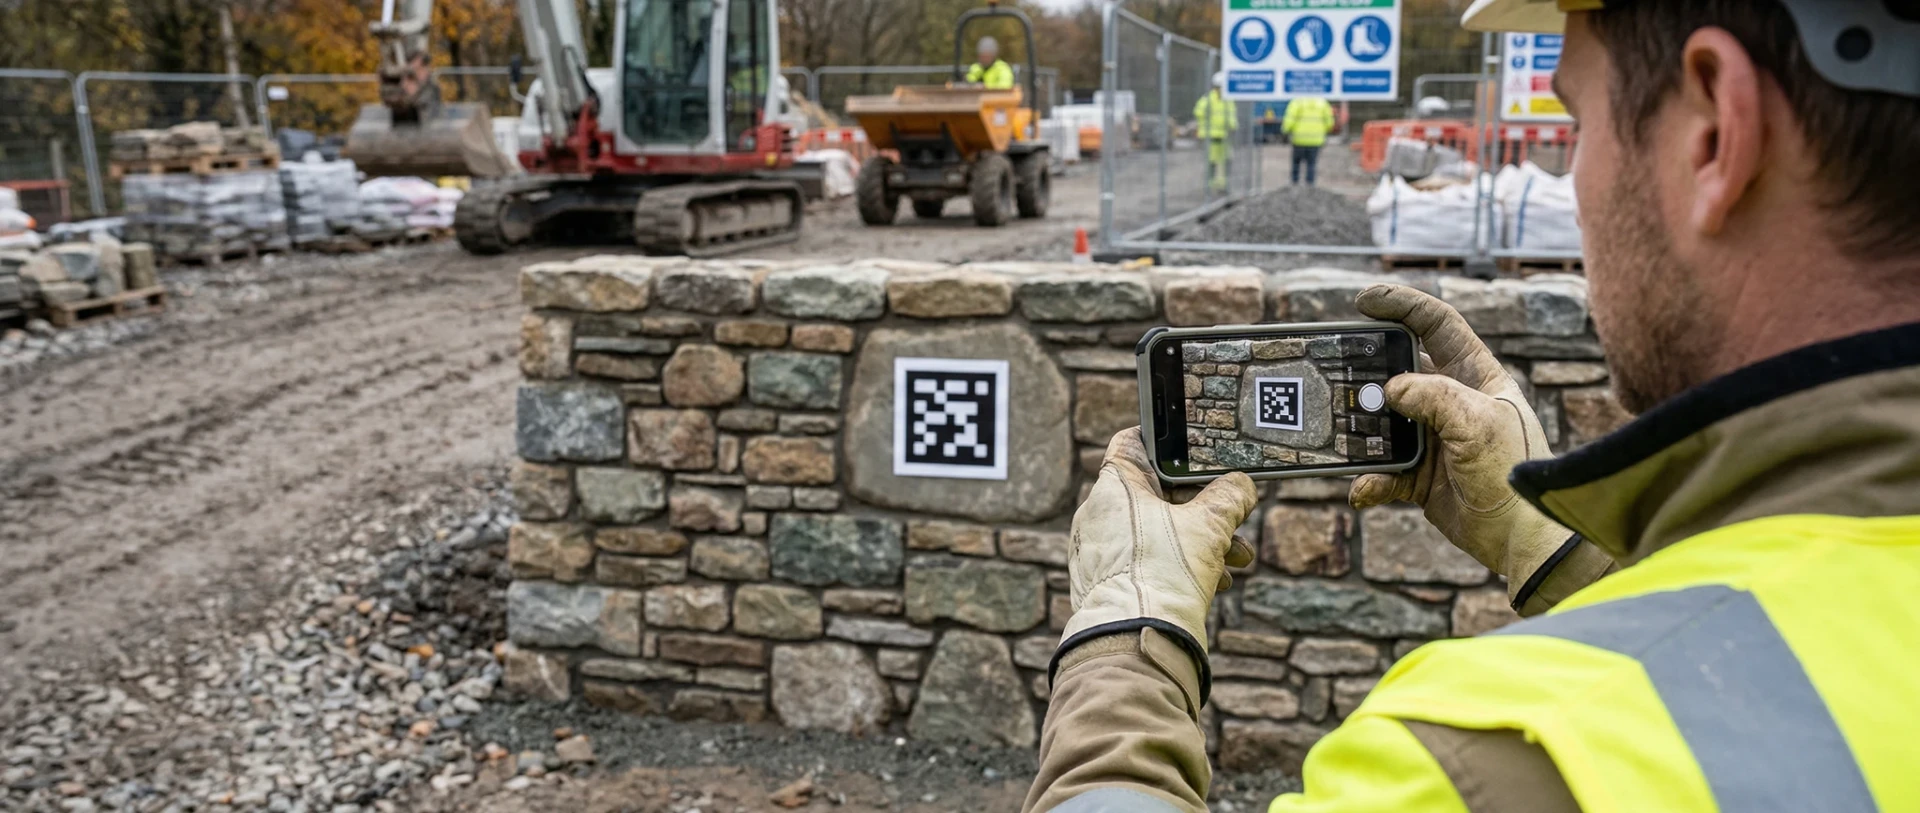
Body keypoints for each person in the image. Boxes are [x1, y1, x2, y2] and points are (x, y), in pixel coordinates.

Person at [1026, 0, 1920, 810]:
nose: (1573, 187)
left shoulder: (1489, 760)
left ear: (1715, 131)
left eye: (1574, 124)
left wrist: (1126, 638)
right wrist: (1557, 552)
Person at [1192, 73, 1236, 192]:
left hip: (1224, 136)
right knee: (1211, 161)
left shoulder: (1228, 101)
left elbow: (1232, 117)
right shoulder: (1207, 100)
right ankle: (1210, 185)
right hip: (1210, 136)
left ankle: (1224, 184)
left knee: (1227, 159)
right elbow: (1198, 112)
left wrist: (1232, 126)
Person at [1282, 93, 1334, 185]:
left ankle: (1294, 183)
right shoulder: (1322, 102)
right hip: (1316, 139)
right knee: (1311, 164)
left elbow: (1290, 119)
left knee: (1296, 163)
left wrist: (1285, 131)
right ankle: (1310, 185)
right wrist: (1324, 131)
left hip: (1299, 139)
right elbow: (1329, 122)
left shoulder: (1297, 101)